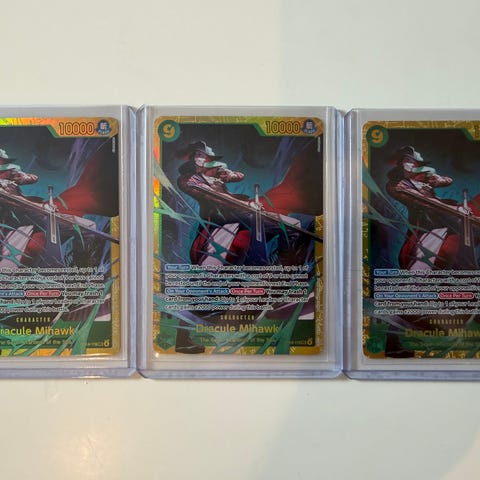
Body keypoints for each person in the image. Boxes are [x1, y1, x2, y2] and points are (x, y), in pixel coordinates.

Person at [386, 145, 475, 270]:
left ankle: (467, 265)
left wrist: (439, 180)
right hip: (426, 220)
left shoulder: (423, 177)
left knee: (466, 229)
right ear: (401, 163)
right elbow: (424, 201)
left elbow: (447, 180)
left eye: (414, 162)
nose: (412, 164)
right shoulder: (395, 185)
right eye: (407, 160)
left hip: (443, 214)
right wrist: (455, 210)